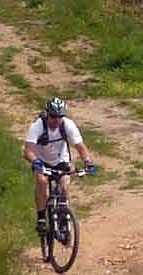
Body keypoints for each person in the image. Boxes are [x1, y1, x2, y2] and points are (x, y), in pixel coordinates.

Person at [24, 97, 97, 237]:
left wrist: (88, 162)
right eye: (53, 116)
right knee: (42, 181)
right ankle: (41, 218)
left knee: (64, 184)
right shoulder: (37, 126)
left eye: (60, 117)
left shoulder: (67, 125)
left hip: (61, 160)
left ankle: (63, 214)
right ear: (47, 114)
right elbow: (28, 151)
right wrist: (35, 161)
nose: (56, 120)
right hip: (41, 161)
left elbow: (80, 147)